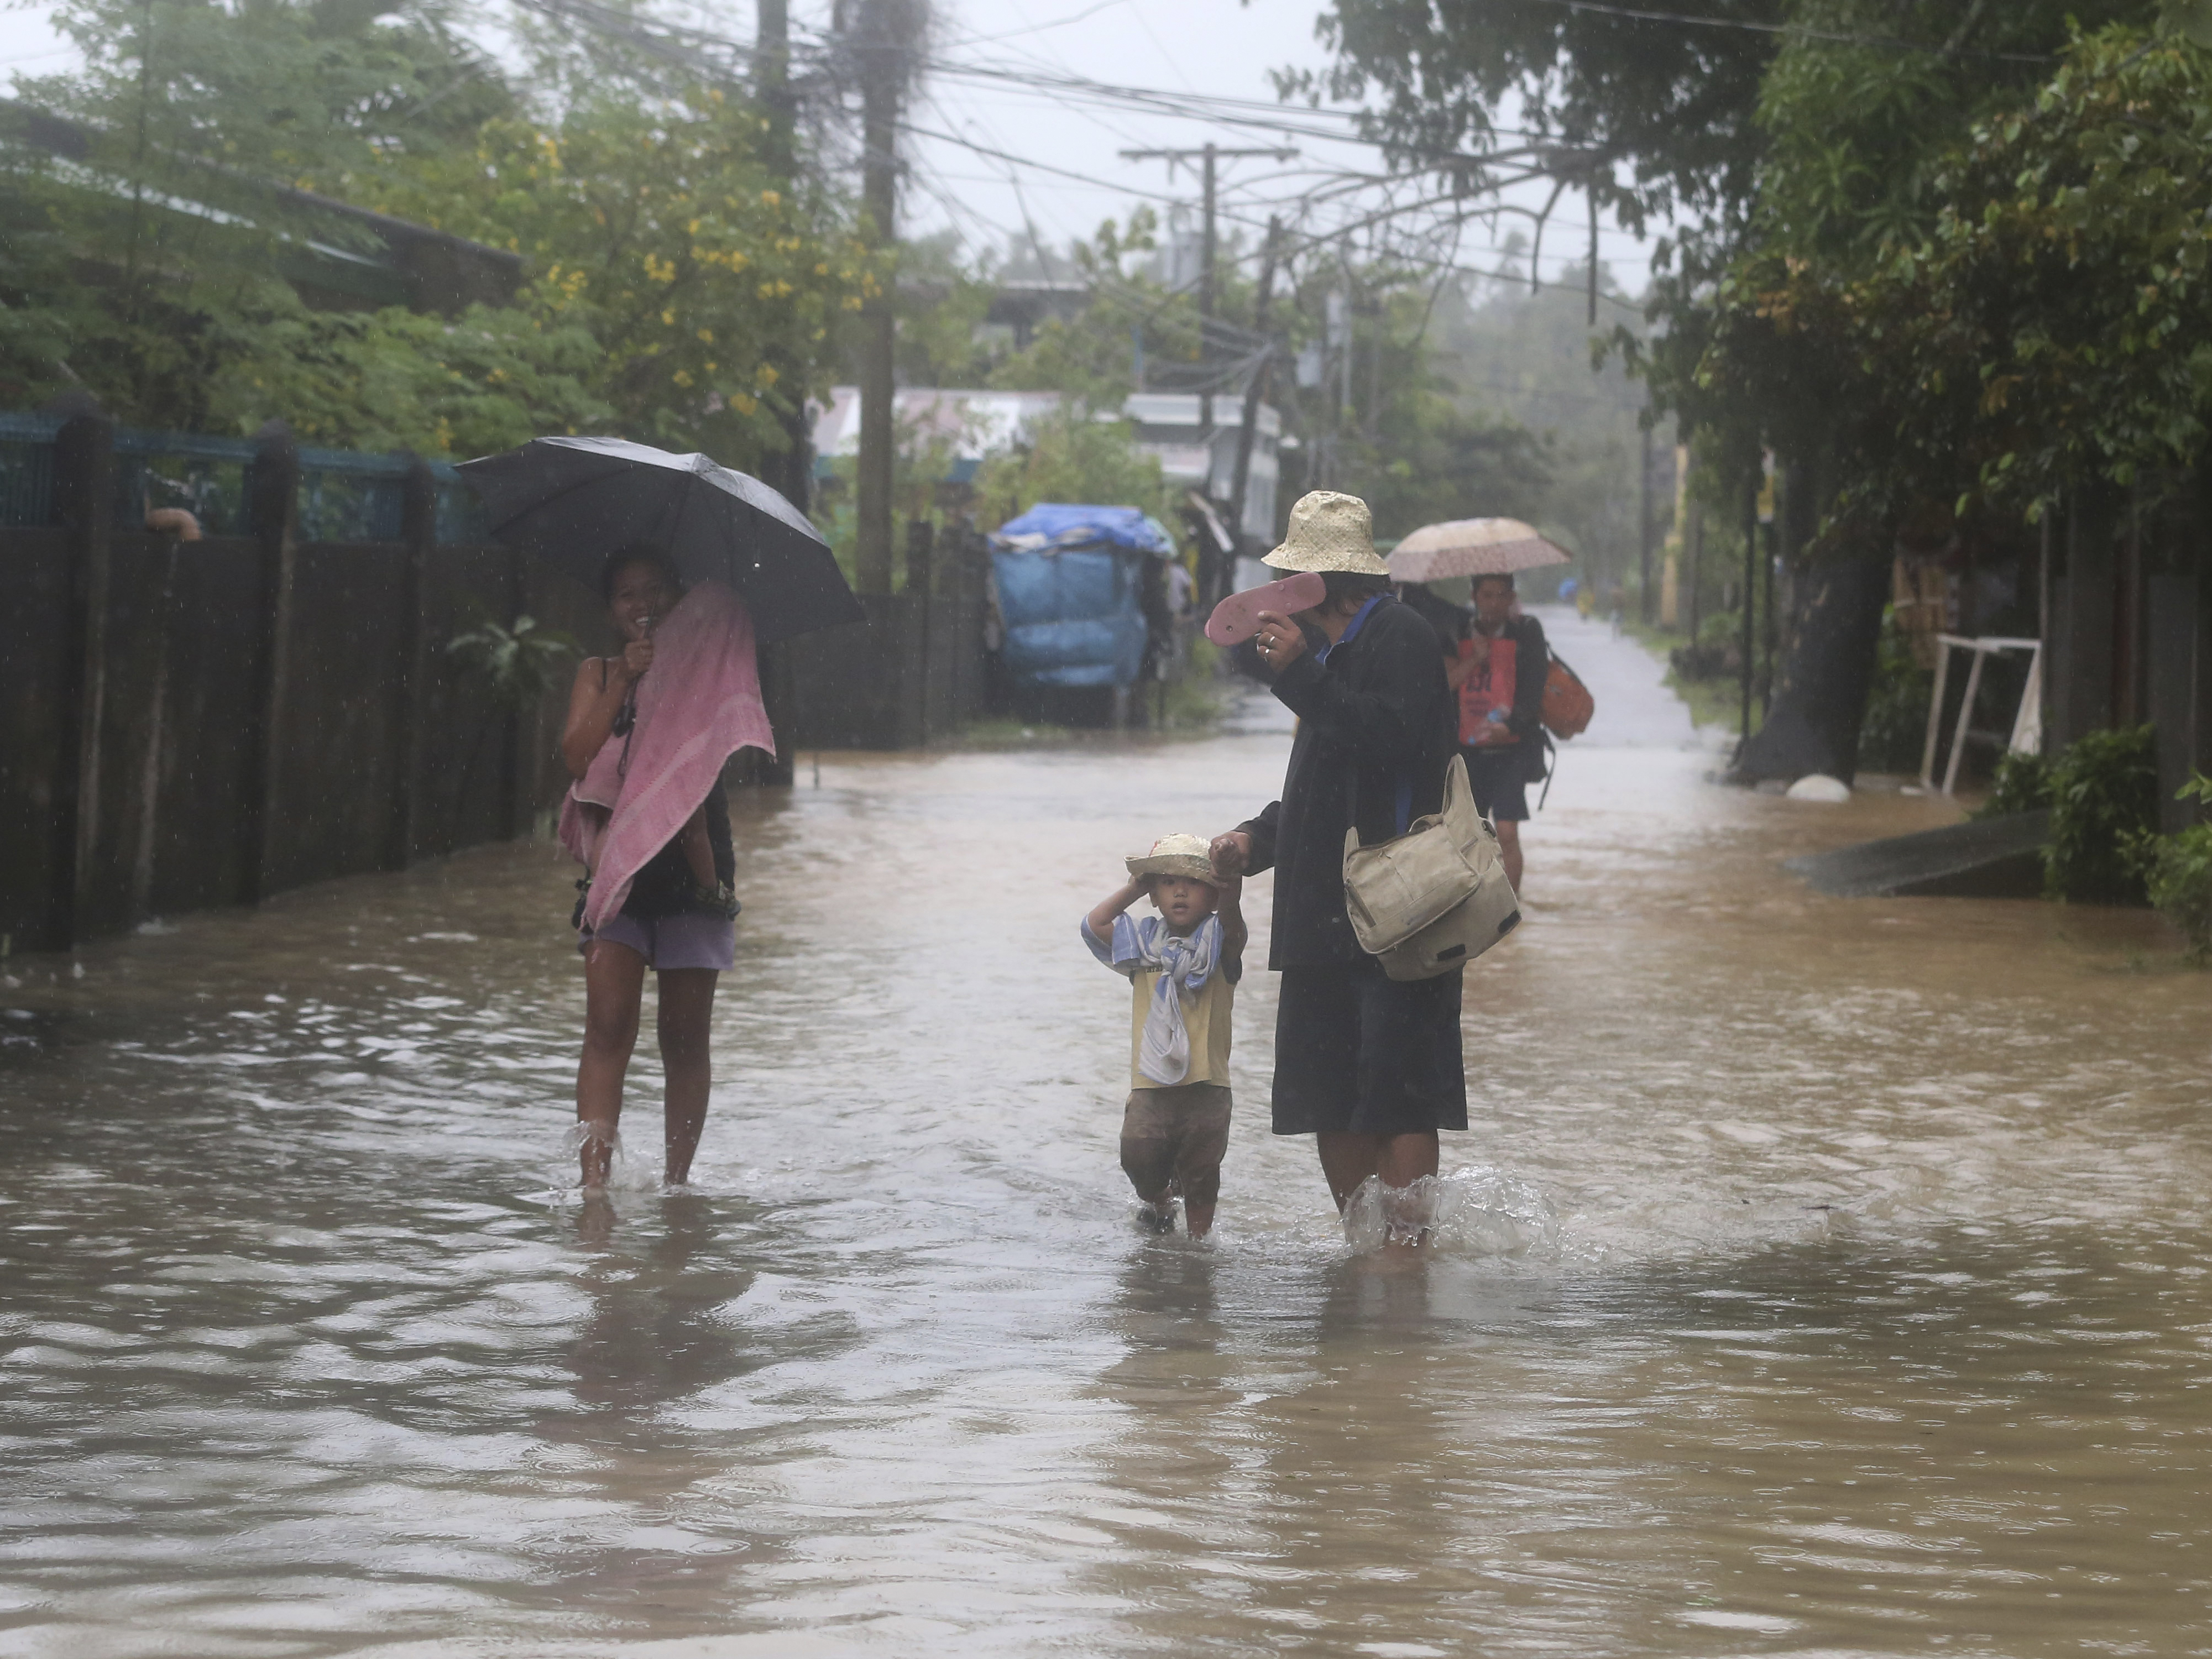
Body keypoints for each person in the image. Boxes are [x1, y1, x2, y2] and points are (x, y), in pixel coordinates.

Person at [1206, 491, 1465, 1221]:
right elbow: (1324, 788)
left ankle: (1406, 1259)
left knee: (1399, 1095)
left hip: (1397, 911)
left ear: (1316, 583)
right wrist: (1254, 841)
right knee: (1328, 1094)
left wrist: (1301, 677)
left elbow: (1388, 741)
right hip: (1321, 916)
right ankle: (1365, 1250)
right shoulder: (1327, 657)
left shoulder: (1402, 638)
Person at [561, 547, 744, 1191]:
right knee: (608, 1026)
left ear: (677, 597)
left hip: (694, 866)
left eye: (654, 591)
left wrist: (672, 680)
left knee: (685, 1036)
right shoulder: (598, 672)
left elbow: (712, 761)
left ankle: (675, 1186)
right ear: (610, 611)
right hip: (619, 868)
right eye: (626, 596)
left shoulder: (708, 671)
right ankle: (593, 1190)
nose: (642, 606)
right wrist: (623, 683)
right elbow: (578, 757)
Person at [1083, 834, 1247, 1237]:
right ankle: (1159, 1200)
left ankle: (1197, 1248)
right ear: (1154, 895)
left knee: (1202, 1171)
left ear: (1211, 894)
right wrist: (1134, 887)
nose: (1179, 890)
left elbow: (1232, 921)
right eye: (1167, 882)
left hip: (1207, 1085)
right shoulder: (1141, 947)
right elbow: (1094, 924)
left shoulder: (1220, 945)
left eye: (1192, 882)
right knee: (1137, 1154)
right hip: (1151, 1083)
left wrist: (1228, 885)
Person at [1450, 572, 1549, 891]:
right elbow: (1445, 685)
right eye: (1487, 595)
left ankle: (1512, 906)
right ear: (1474, 596)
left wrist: (1512, 726)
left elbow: (1535, 686)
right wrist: (1476, 657)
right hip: (1467, 752)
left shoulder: (1527, 632)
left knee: (1507, 832)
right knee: (1469, 834)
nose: (1493, 603)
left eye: (1500, 595)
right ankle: (1474, 900)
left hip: (1511, 749)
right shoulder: (1457, 630)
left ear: (1511, 597)